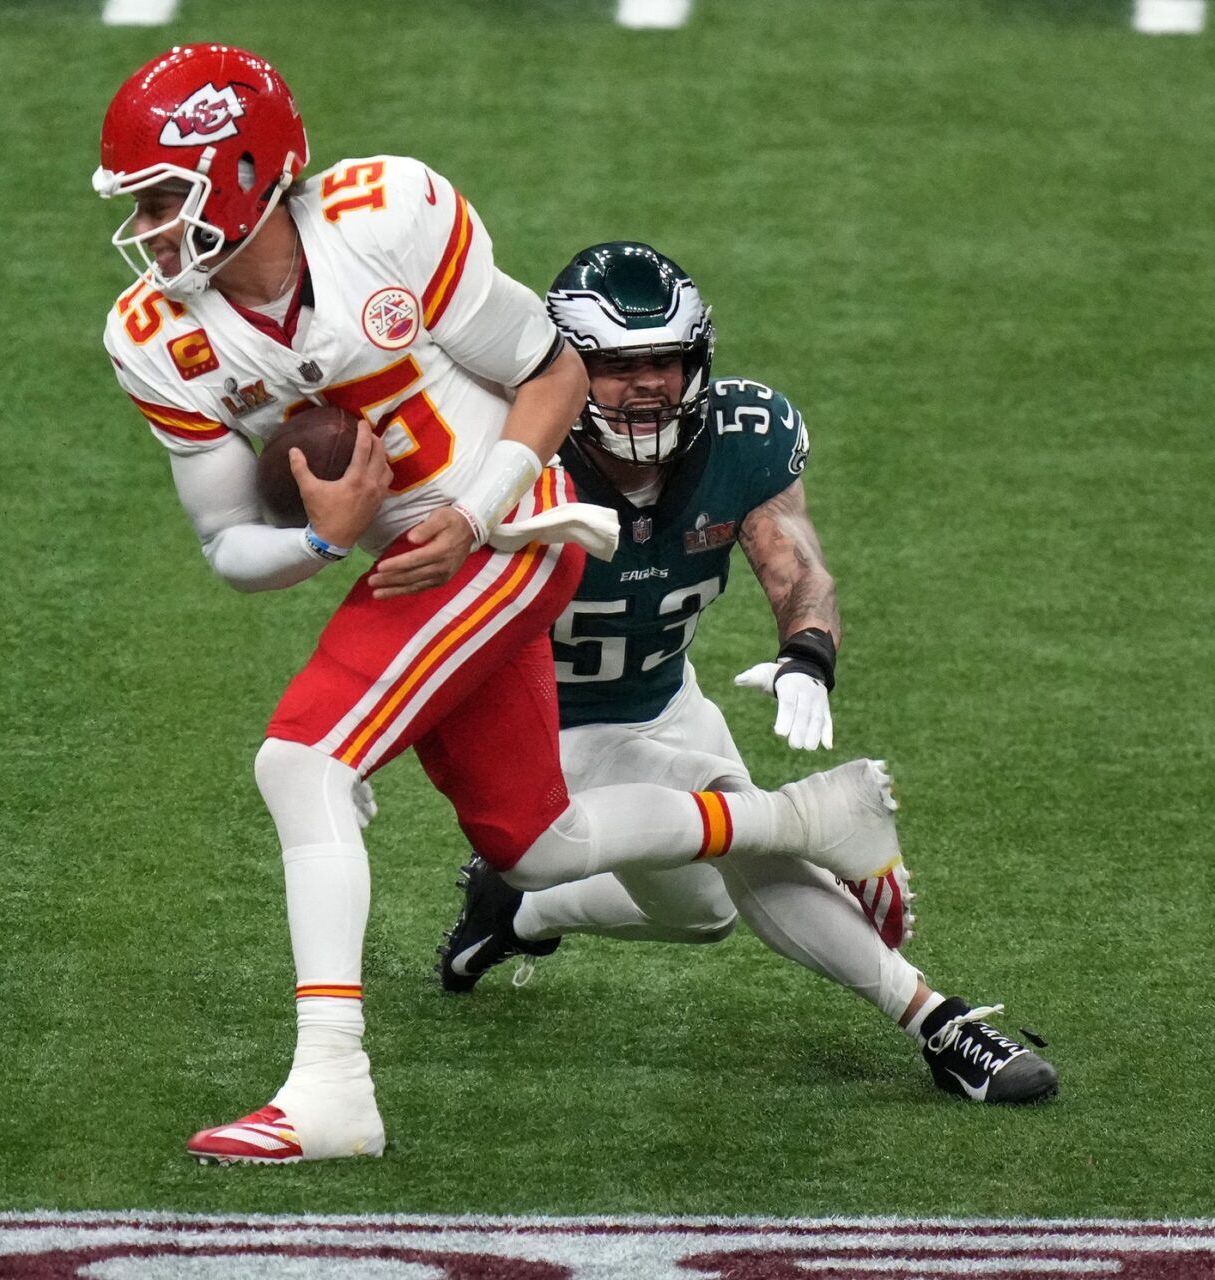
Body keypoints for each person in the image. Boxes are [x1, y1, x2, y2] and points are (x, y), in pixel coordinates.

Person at [94, 45, 909, 1164]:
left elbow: (555, 373)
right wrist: (326, 534)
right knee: (537, 844)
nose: (149, 225)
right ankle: (804, 819)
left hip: (516, 528)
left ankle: (331, 1082)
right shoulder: (155, 335)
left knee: (301, 760)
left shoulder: (386, 216)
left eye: (164, 196)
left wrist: (477, 510)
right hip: (413, 564)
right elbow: (229, 545)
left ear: (242, 172)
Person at [435, 243, 1057, 1104]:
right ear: (566, 366)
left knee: (707, 914)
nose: (646, 386)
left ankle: (515, 913)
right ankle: (938, 1022)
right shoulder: (501, 452)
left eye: (665, 361)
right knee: (747, 840)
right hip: (540, 726)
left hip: (661, 700)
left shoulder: (742, 436)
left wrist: (808, 656)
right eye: (617, 367)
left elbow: (793, 562)